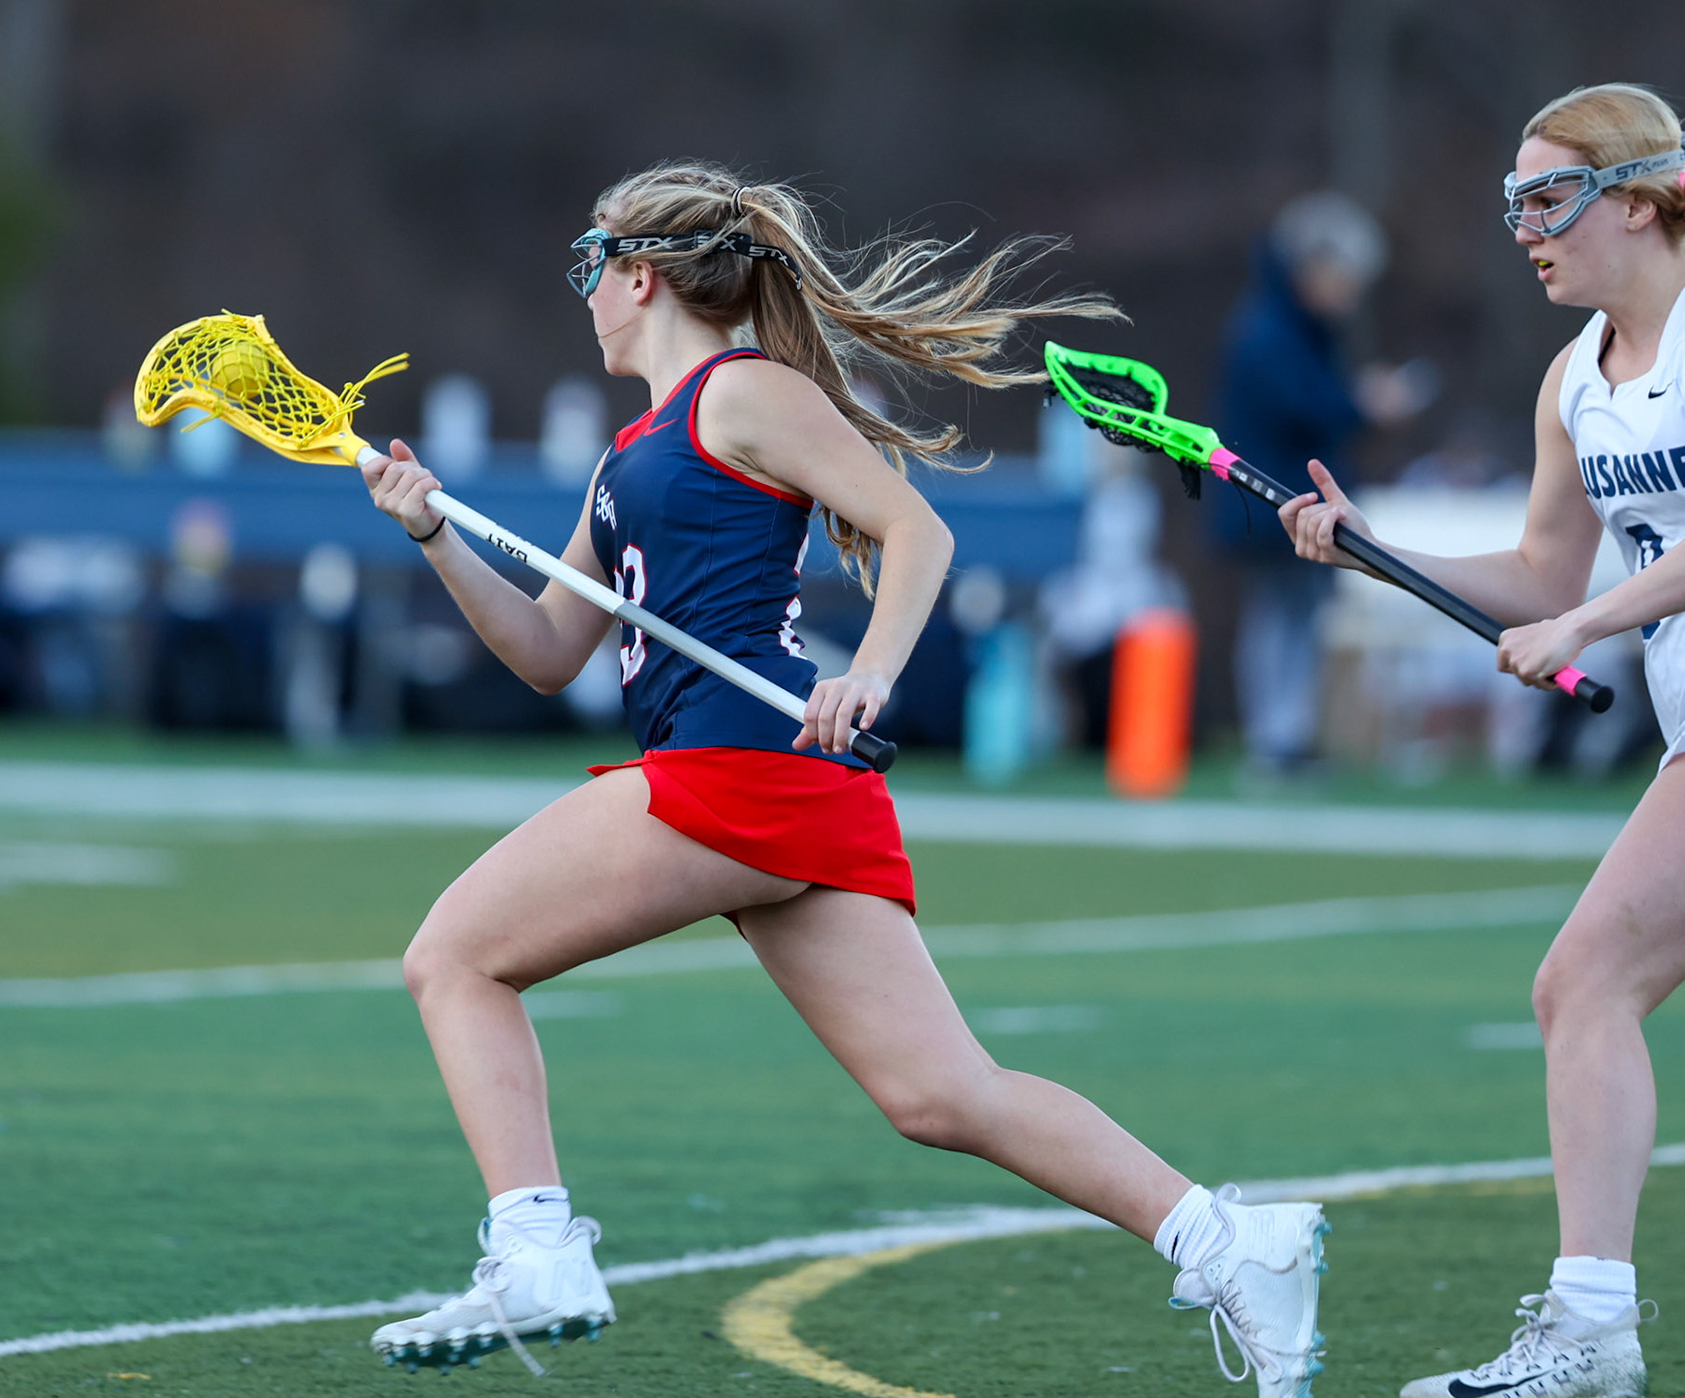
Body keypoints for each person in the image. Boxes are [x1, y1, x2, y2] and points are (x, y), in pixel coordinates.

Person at [358, 161, 1329, 1394]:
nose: (585, 295)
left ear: (639, 274)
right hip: (772, 784)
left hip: (741, 768)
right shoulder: (627, 456)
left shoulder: (744, 393)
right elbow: (550, 651)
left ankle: (536, 1251)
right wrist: (432, 530)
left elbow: (918, 528)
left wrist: (868, 672)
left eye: (591, 268)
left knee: (452, 957)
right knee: (940, 1095)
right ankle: (1234, 1240)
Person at [1281, 84, 1685, 1398]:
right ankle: (1592, 1333)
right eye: (1511, 199)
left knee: (1585, 984)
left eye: (1549, 196)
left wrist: (1589, 618)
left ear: (1639, 197)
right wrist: (1378, 554)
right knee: (1583, 986)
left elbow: (1599, 588)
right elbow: (1536, 568)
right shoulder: (1576, 380)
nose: (1525, 226)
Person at [1212, 191, 1426, 776]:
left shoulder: (1295, 327)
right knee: (1278, 615)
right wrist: (1365, 403)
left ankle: (1290, 732)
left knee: (1298, 616)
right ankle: (1275, 737)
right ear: (1314, 268)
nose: (1350, 293)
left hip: (1290, 499)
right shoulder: (1268, 330)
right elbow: (1303, 408)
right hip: (1272, 502)